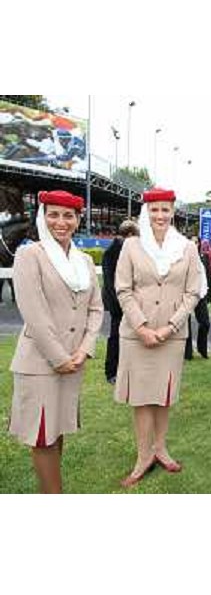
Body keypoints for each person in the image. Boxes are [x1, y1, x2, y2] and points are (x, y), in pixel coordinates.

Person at [8, 190, 103, 493]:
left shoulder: (85, 261)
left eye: (68, 215)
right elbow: (33, 312)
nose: (60, 222)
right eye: (53, 214)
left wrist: (85, 350)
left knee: (56, 431)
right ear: (42, 216)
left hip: (73, 362)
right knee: (42, 436)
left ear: (77, 219)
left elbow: (96, 308)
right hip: (41, 363)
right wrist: (60, 357)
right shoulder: (29, 255)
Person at [114, 187, 204, 488]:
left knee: (164, 396)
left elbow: (193, 293)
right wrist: (141, 327)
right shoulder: (132, 246)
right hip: (136, 335)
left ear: (173, 211)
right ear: (145, 212)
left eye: (165, 209)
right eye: (155, 210)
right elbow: (123, 289)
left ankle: (161, 449)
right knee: (141, 398)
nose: (160, 215)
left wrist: (170, 327)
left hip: (172, 336)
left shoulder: (187, 248)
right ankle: (143, 456)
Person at [101, 219, 139, 383]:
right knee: (115, 337)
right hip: (117, 304)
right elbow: (110, 282)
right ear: (129, 235)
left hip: (126, 303)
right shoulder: (112, 251)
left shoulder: (124, 249)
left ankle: (126, 370)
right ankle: (111, 372)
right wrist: (122, 304)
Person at [185, 240, 211, 360]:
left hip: (201, 295)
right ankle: (187, 353)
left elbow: (208, 277)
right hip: (186, 296)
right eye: (190, 241)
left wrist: (210, 292)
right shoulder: (182, 258)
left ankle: (202, 349)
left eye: (196, 241)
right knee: (186, 325)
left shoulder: (204, 257)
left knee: (205, 323)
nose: (194, 243)